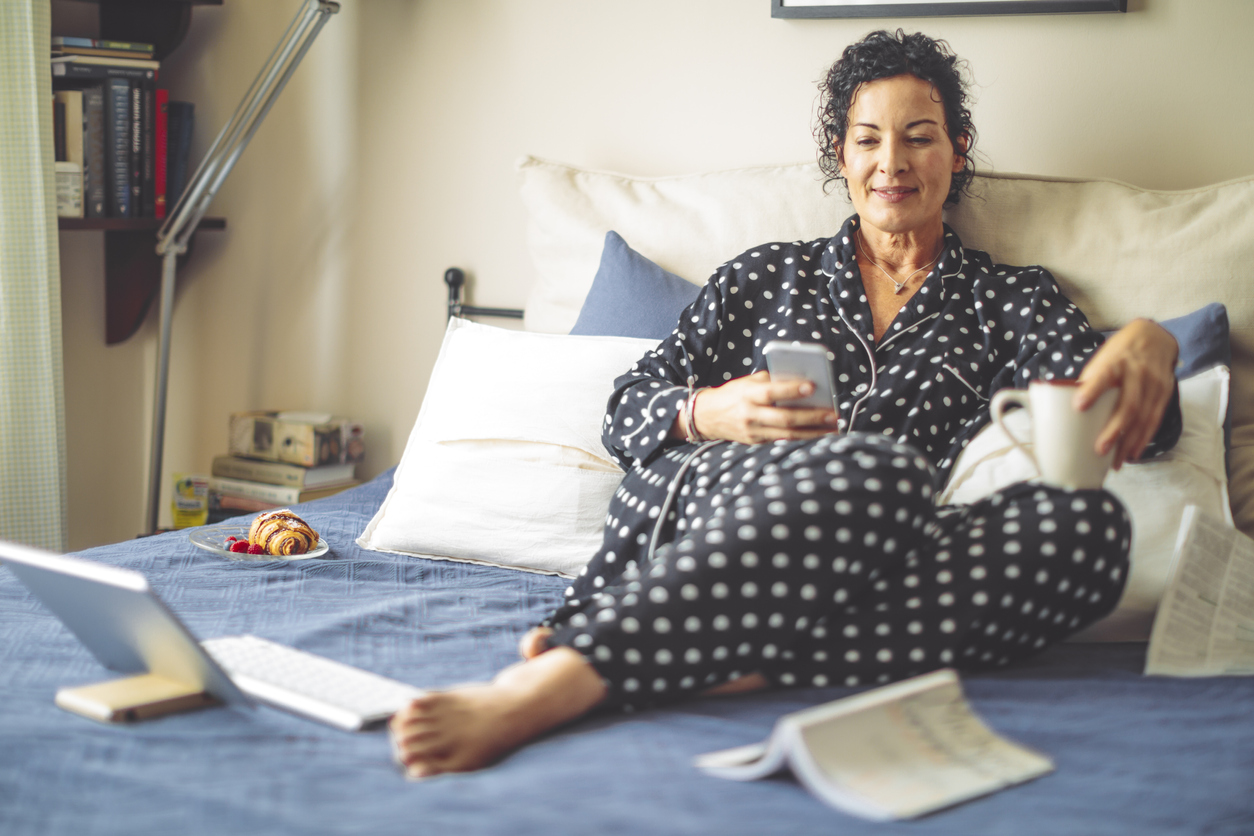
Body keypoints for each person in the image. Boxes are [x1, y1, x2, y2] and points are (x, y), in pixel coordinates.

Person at [389, 29, 1181, 778]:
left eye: (919, 135)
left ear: (956, 151)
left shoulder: (1007, 299)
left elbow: (1128, 428)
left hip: (886, 550)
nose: (892, 161)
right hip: (719, 502)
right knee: (885, 471)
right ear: (841, 154)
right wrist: (711, 411)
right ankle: (560, 679)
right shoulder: (767, 277)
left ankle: (737, 660)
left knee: (1092, 533)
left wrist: (1150, 343)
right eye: (868, 138)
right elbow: (625, 410)